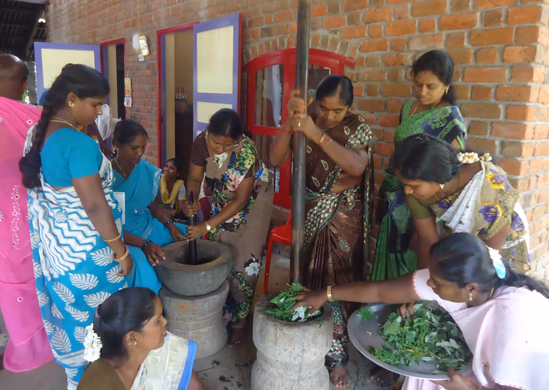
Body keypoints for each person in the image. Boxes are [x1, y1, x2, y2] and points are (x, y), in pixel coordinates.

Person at [19, 64, 156, 389]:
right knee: (105, 329)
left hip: (60, 256)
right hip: (90, 259)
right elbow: (94, 205)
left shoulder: (40, 134)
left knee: (78, 326)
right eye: (95, 105)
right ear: (71, 99)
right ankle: (104, 382)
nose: (98, 113)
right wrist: (121, 251)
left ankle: (79, 380)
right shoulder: (76, 144)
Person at [294, 233, 549, 390]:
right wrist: (325, 294)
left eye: (437, 283)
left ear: (471, 288)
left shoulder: (510, 322)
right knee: (424, 377)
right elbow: (379, 292)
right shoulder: (459, 286)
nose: (429, 285)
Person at [269, 75, 376, 388]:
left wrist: (317, 134)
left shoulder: (356, 128)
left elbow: (357, 167)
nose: (330, 116)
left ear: (349, 108)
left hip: (342, 214)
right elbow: (275, 158)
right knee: (309, 274)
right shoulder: (304, 121)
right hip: (309, 210)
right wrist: (290, 124)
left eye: (338, 111)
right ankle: (309, 334)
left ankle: (338, 356)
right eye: (324, 108)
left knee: (335, 278)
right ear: (316, 103)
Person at [372, 50, 468, 286]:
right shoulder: (409, 108)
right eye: (418, 84)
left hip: (424, 203)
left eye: (431, 87)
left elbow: (449, 174)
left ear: (446, 86)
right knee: (390, 253)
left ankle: (408, 305)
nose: (422, 92)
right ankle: (382, 306)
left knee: (414, 255)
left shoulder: (451, 121)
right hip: (397, 192)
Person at [187, 109, 273, 345]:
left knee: (245, 260)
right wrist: (191, 201)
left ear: (238, 139)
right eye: (216, 143)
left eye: (227, 145)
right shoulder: (200, 144)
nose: (220, 149)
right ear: (208, 133)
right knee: (220, 248)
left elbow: (242, 200)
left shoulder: (245, 152)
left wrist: (206, 224)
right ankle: (222, 310)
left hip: (254, 201)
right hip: (223, 196)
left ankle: (239, 321)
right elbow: (195, 179)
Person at [391, 134, 530, 272]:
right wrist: (424, 282)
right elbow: (428, 242)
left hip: (500, 244)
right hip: (460, 241)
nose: (407, 191)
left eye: (414, 185)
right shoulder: (415, 194)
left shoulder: (488, 185)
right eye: (405, 185)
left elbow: (491, 256)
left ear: (438, 179)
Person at [0, 94, 53, 373]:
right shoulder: (36, 119)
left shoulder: (35, 120)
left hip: (21, 223)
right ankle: (35, 342)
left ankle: (28, 343)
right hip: (28, 221)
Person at [78, 287, 205, 390]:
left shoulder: (165, 348)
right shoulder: (99, 384)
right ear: (132, 338)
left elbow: (196, 387)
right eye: (157, 321)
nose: (165, 322)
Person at [111, 120, 188, 267]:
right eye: (134, 148)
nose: (140, 153)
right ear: (117, 144)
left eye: (143, 147)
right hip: (123, 238)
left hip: (148, 226)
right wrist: (144, 244)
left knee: (186, 239)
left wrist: (172, 227)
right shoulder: (105, 178)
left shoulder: (145, 169)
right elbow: (108, 225)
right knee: (148, 268)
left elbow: (154, 206)